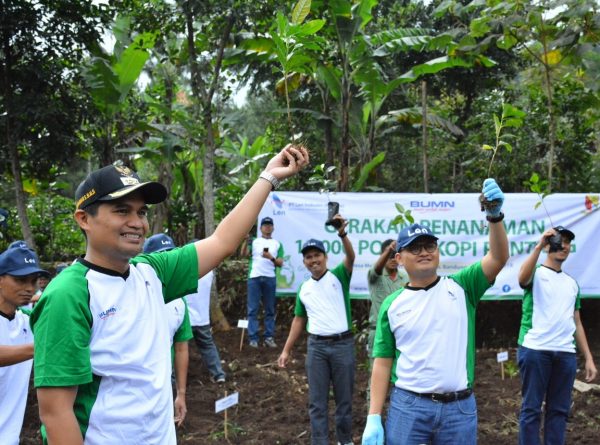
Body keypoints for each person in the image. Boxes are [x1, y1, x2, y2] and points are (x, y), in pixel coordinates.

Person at [30, 145, 308, 445]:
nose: (137, 222)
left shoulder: (151, 272)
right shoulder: (68, 295)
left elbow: (222, 241)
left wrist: (269, 176)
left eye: (141, 212)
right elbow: (56, 413)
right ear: (84, 219)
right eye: (121, 210)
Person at [362, 178, 509, 445]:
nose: (424, 252)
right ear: (399, 258)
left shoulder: (463, 287)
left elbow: (498, 258)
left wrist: (495, 217)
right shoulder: (392, 304)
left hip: (459, 409)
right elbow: (382, 363)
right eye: (415, 248)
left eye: (430, 246)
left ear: (438, 252)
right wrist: (373, 415)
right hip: (408, 407)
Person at [278, 214, 356, 445]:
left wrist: (342, 233)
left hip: (343, 345)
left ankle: (345, 440)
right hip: (317, 348)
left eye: (317, 255)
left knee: (344, 401)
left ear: (325, 257)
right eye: (309, 257)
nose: (313, 260)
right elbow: (298, 320)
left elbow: (351, 257)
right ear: (304, 262)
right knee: (317, 403)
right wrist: (286, 350)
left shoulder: (339, 276)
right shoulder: (304, 289)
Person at [517, 226, 597, 445]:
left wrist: (588, 358)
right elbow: (522, 279)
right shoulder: (536, 273)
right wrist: (539, 246)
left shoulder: (572, 284)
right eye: (560, 241)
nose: (564, 246)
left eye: (568, 243)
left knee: (560, 411)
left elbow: (577, 322)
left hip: (565, 354)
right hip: (535, 349)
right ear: (548, 246)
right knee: (531, 409)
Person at [143, 233, 194, 427]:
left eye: (170, 257)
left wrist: (180, 394)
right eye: (160, 258)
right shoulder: (135, 295)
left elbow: (181, 348)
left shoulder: (179, 303)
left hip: (163, 379)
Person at [0, 246, 49, 445]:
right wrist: (46, 346)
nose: (30, 288)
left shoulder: (27, 322)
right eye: (20, 280)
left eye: (33, 281)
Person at [240, 216, 284, 348]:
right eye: (265, 225)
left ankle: (268, 337)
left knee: (269, 309)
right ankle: (253, 338)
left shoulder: (277, 244)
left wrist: (271, 257)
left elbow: (280, 263)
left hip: (270, 277)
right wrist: (245, 241)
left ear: (273, 227)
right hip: (254, 277)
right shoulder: (254, 241)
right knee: (253, 309)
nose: (267, 227)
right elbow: (243, 254)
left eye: (269, 225)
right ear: (261, 228)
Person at [186, 267, 227, 383]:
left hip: (185, 319)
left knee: (178, 349)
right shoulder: (209, 271)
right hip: (202, 318)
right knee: (207, 345)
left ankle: (173, 379)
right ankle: (218, 374)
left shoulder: (184, 268)